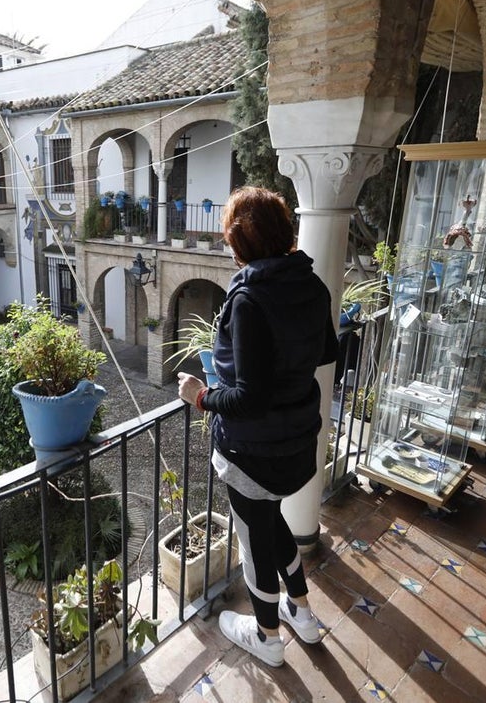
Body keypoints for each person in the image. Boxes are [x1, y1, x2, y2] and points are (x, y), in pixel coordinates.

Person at [177, 186, 338, 667]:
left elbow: (249, 397)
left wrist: (200, 396)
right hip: (296, 445)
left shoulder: (249, 300)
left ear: (241, 241)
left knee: (253, 545)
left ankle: (267, 636)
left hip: (253, 455)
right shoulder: (310, 284)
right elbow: (328, 352)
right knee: (273, 522)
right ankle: (301, 612)